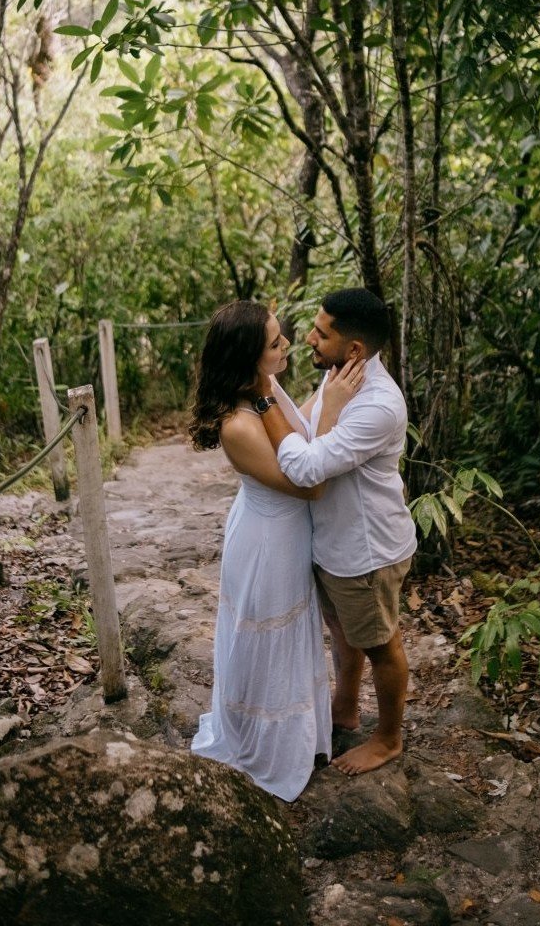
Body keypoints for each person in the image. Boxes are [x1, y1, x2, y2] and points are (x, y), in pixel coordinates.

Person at [187, 300, 363, 803]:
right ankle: (263, 744)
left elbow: (295, 429)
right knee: (267, 636)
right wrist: (332, 410)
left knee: (290, 635)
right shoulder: (237, 425)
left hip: (286, 535)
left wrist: (329, 390)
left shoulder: (263, 389)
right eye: (275, 342)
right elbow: (310, 484)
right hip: (267, 544)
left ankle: (297, 733)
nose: (287, 344)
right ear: (248, 357)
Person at [254, 287, 417, 777]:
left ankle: (388, 739)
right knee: (343, 632)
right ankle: (344, 709)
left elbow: (306, 467)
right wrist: (322, 407)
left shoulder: (378, 405)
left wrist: (263, 400)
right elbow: (306, 429)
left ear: (355, 348)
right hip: (334, 541)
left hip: (366, 551)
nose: (308, 338)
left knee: (381, 643)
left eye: (322, 333)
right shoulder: (340, 377)